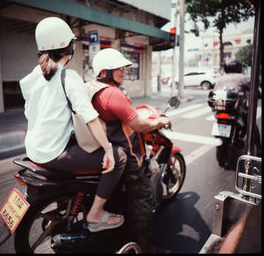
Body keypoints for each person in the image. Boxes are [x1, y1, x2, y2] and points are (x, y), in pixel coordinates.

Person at [19, 17, 127, 233]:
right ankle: (96, 214)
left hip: (33, 151)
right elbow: (89, 117)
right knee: (119, 156)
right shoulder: (68, 77)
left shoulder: (30, 78)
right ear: (69, 47)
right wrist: (107, 149)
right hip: (53, 153)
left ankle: (66, 205)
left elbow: (32, 113)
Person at [85, 48, 172, 252]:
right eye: (118, 67)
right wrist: (160, 120)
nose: (124, 70)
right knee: (143, 199)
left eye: (124, 66)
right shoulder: (113, 94)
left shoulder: (91, 87)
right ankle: (145, 246)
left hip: (104, 148)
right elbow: (140, 126)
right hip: (129, 156)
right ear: (105, 71)